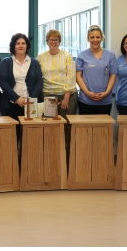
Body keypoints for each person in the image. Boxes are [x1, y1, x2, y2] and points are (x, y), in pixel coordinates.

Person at [37, 30, 77, 163]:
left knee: (66, 127)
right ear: (47, 42)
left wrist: (66, 96)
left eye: (56, 40)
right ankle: (52, 158)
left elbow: (71, 76)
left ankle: (67, 159)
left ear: (60, 42)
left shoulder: (66, 56)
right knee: (51, 128)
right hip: (48, 95)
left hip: (67, 95)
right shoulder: (41, 57)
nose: (53, 42)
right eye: (51, 39)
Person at [0, 33, 42, 120]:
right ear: (13, 46)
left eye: (23, 43)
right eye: (18, 43)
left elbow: (39, 82)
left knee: (30, 131)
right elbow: (2, 82)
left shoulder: (35, 62)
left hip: (31, 105)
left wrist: (31, 101)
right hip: (11, 104)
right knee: (13, 132)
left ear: (27, 46)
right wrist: (16, 98)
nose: (20, 46)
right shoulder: (5, 62)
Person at [76, 25, 117, 115]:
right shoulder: (81, 56)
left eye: (98, 37)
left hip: (105, 100)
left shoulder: (110, 55)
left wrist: (106, 93)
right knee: (86, 128)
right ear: (88, 39)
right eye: (92, 37)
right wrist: (87, 93)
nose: (95, 40)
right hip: (86, 100)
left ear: (102, 38)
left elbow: (113, 75)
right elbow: (78, 76)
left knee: (103, 128)